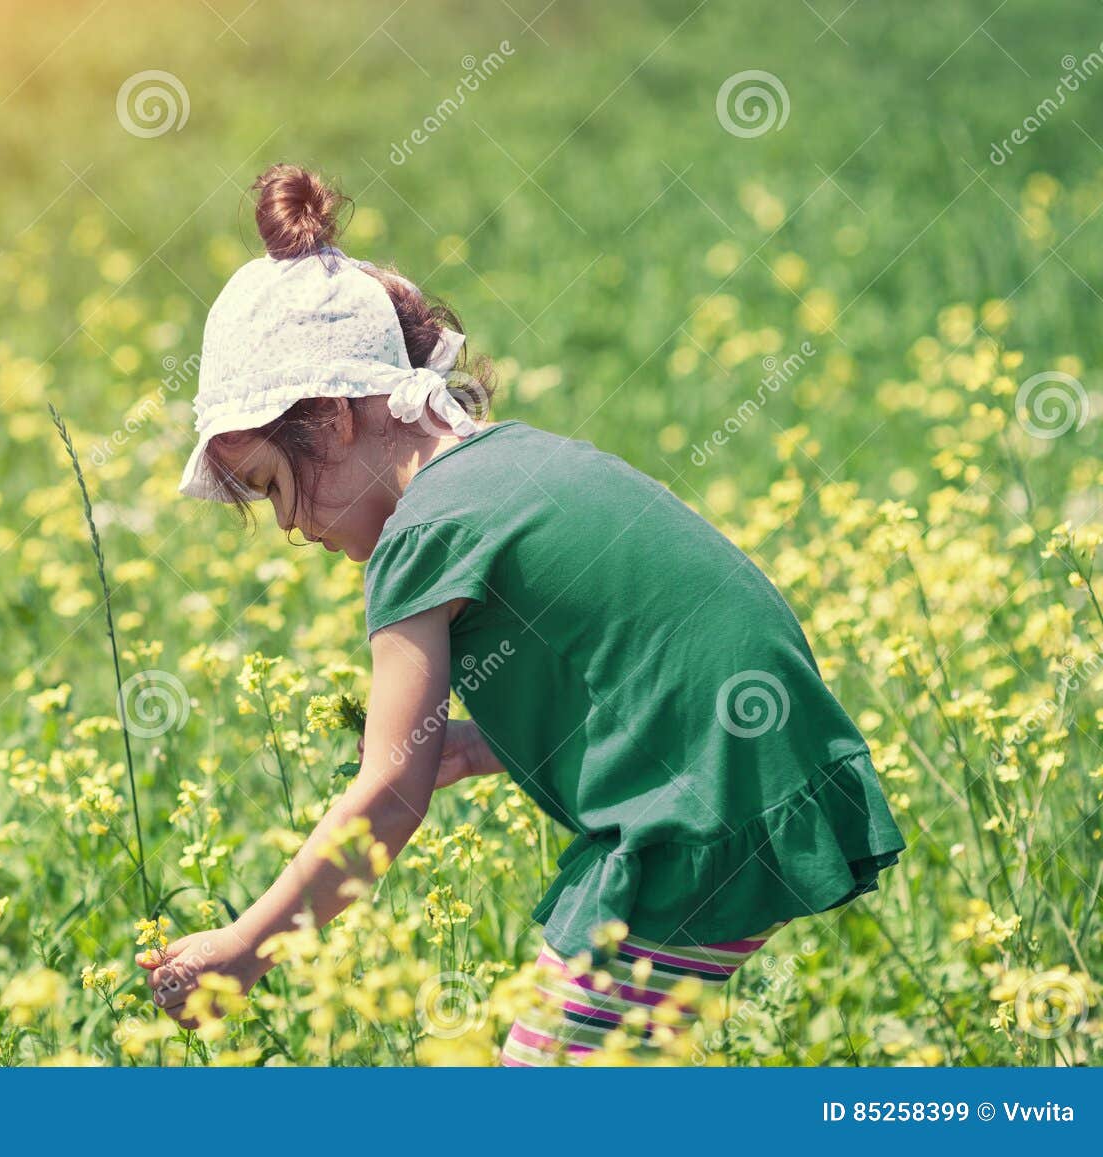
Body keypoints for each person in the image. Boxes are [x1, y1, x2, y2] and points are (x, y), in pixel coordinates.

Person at [136, 162, 907, 1065]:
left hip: (693, 814)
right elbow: (635, 657)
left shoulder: (417, 541)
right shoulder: (513, 465)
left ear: (338, 420)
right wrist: (483, 743)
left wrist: (242, 950)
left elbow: (386, 796)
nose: (291, 526)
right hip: (753, 767)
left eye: (275, 486)